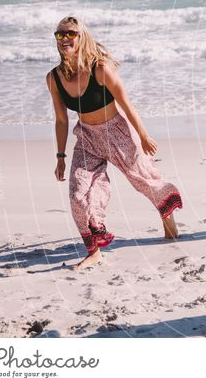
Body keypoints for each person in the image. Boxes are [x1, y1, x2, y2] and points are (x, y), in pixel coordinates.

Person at [46, 16, 183, 269]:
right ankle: (94, 250)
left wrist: (143, 135)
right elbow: (62, 121)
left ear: (81, 36)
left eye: (70, 33)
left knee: (145, 182)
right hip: (87, 138)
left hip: (118, 133)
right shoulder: (54, 78)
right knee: (78, 195)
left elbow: (126, 104)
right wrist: (60, 157)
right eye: (59, 34)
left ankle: (169, 221)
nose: (64, 38)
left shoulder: (100, 68)